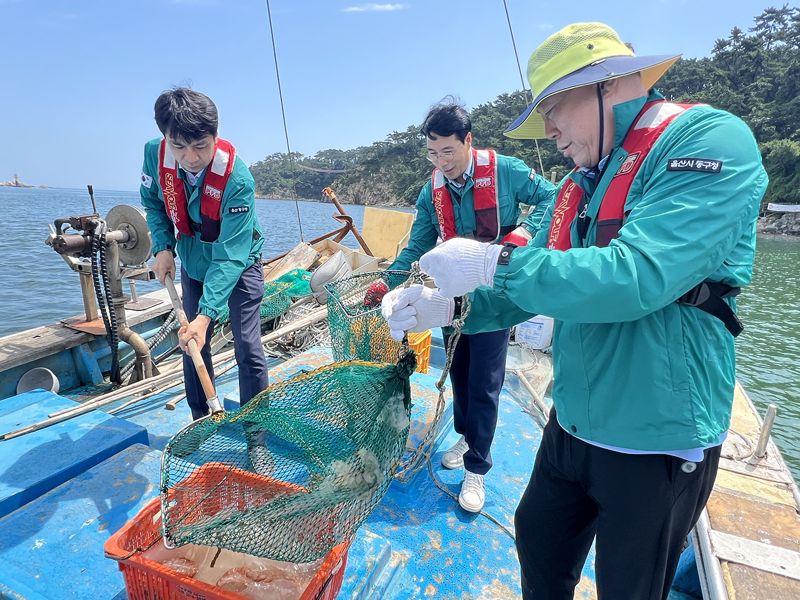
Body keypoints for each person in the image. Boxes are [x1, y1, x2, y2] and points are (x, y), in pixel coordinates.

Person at [381, 23, 768, 599]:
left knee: (629, 587)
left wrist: (491, 263)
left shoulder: (710, 143)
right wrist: (451, 306)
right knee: (537, 542)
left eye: (556, 109)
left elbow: (638, 275)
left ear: (610, 86)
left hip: (654, 435)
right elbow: (533, 281)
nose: (552, 133)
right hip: (574, 419)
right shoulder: (576, 186)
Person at [376, 101, 556, 513]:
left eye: (449, 152)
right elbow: (418, 244)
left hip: (493, 298)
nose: (442, 162)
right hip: (451, 299)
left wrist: (524, 235)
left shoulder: (505, 171)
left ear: (468, 141)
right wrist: (386, 281)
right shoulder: (431, 191)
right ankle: (465, 435)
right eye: (432, 153)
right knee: (457, 371)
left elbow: (554, 197)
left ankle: (477, 469)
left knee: (485, 383)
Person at [140, 88, 269, 421]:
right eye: (179, 146)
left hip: (239, 263)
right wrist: (163, 247)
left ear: (215, 136)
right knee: (192, 342)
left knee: (248, 346)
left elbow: (230, 257)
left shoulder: (237, 180)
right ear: (165, 138)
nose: (191, 157)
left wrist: (207, 314)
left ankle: (257, 429)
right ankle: (201, 421)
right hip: (193, 260)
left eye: (200, 146)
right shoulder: (155, 156)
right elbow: (153, 203)